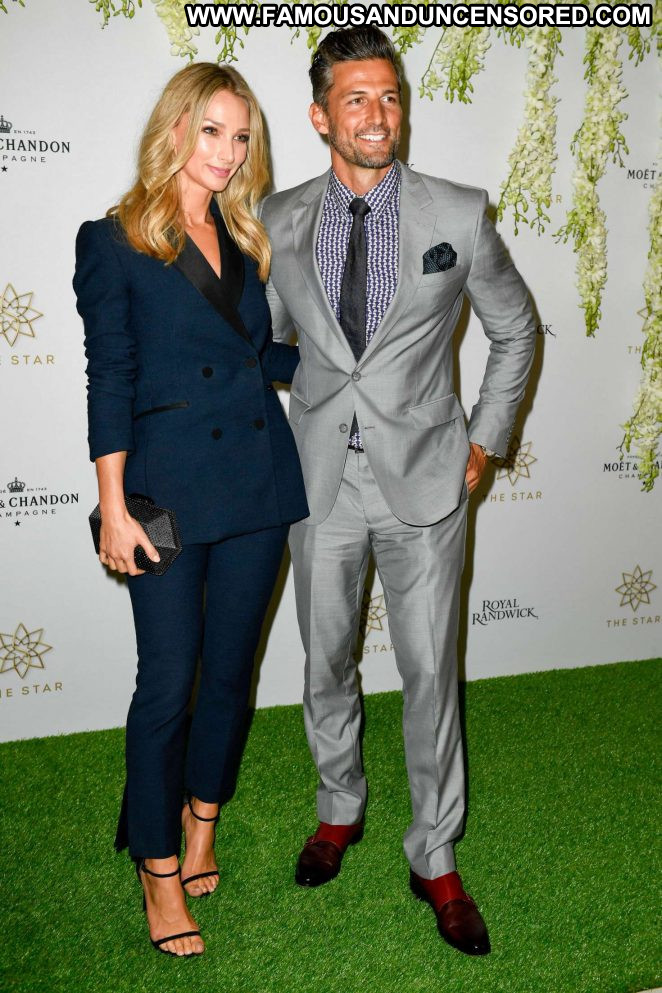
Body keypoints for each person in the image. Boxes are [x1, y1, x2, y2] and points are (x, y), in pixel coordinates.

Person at [260, 26, 536, 956]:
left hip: (425, 481)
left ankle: (435, 853)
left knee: (429, 674)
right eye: (357, 99)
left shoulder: (458, 212)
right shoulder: (279, 217)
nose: (378, 115)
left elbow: (516, 329)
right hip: (319, 482)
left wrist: (484, 439)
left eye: (390, 96)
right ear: (321, 116)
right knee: (325, 663)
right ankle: (339, 806)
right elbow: (268, 340)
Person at [73, 62, 308, 958]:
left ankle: (202, 819)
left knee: (230, 674)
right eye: (212, 130)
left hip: (257, 481)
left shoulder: (245, 238)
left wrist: (342, 367)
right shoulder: (114, 240)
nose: (228, 151)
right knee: (168, 681)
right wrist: (113, 506)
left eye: (241, 136)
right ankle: (158, 865)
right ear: (174, 129)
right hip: (165, 492)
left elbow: (258, 356)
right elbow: (111, 377)